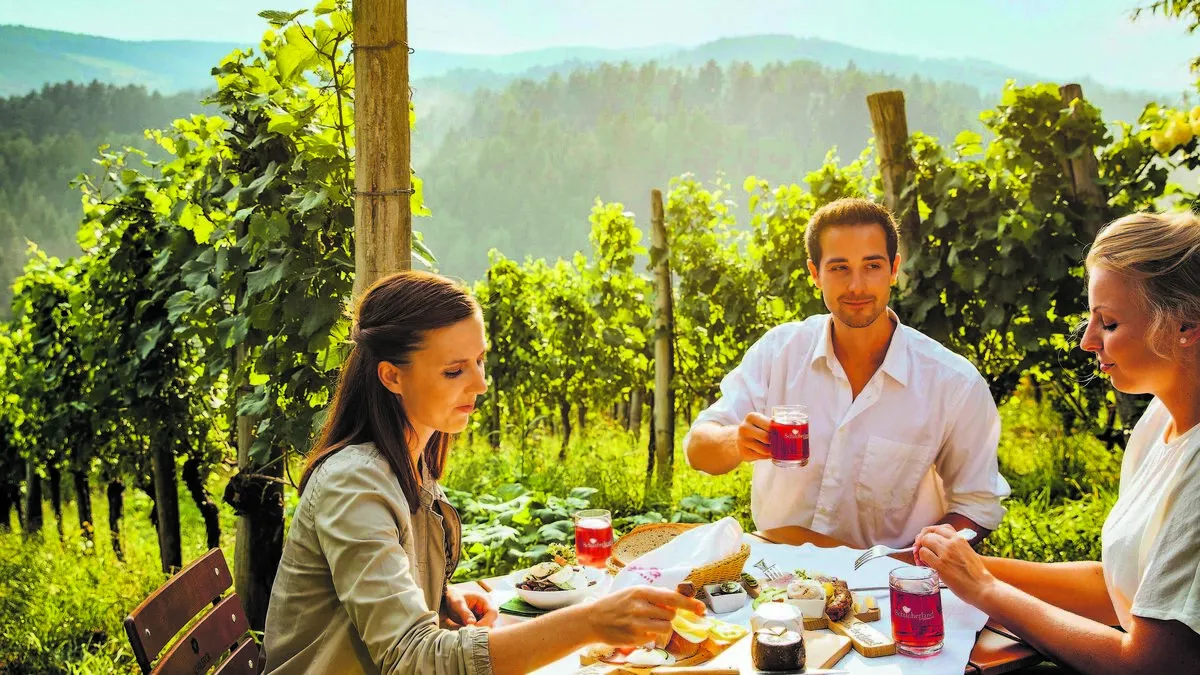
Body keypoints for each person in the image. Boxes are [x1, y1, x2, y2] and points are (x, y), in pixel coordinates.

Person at [263, 271, 705, 675]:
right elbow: (412, 658)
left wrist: (436, 597)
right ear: (392, 377)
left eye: (480, 361)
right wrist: (590, 622)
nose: (480, 384)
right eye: (455, 370)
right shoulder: (353, 482)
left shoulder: (409, 458)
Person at [915, 211, 1200, 673]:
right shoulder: (1160, 419)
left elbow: (1148, 664)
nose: (1088, 341)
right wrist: (955, 566)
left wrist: (987, 590)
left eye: (1108, 324)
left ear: (1185, 326)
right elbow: (1117, 588)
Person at [684, 197, 1010, 551]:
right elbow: (698, 448)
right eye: (839, 268)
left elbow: (977, 504)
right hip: (779, 580)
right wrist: (736, 441)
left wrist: (915, 562)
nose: (856, 286)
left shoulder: (953, 383)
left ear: (894, 268)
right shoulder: (778, 352)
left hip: (886, 583)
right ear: (814, 273)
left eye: (871, 266)